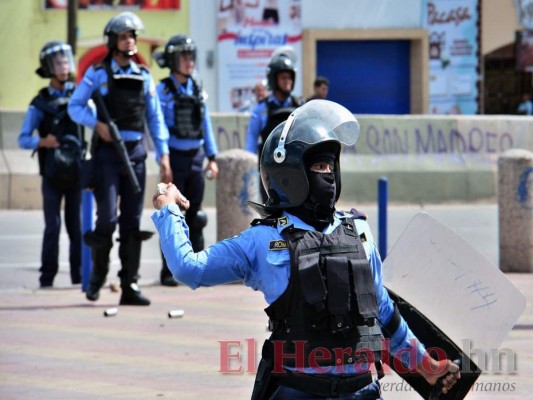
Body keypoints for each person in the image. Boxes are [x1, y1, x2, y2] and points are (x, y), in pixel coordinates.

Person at [152, 100, 461, 399]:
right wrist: (169, 212)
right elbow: (188, 268)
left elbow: (384, 313)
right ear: (290, 174)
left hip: (362, 391)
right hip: (298, 391)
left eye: (331, 165)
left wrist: (426, 366)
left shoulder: (359, 231)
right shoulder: (263, 240)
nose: (327, 174)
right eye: (318, 165)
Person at [68, 12, 171, 305]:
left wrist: (162, 154)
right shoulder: (98, 74)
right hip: (107, 157)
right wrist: (96, 124)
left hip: (136, 154)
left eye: (133, 36)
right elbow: (75, 106)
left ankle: (129, 286)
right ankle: (98, 278)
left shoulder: (144, 75)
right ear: (113, 41)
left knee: (131, 222)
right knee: (108, 219)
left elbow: (155, 118)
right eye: (125, 36)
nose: (130, 41)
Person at [154, 34, 219, 286]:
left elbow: (206, 125)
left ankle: (197, 268)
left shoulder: (198, 89)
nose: (189, 61)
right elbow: (158, 125)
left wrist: (212, 158)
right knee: (172, 215)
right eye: (184, 56)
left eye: (191, 56)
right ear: (172, 60)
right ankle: (168, 271)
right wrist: (164, 158)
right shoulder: (163, 90)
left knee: (196, 215)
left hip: (196, 157)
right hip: (174, 158)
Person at [18, 40, 84, 288]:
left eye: (66, 59)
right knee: (52, 227)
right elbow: (23, 138)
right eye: (58, 61)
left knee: (76, 227)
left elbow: (93, 123)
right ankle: (47, 278)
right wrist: (43, 142)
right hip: (52, 174)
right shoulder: (40, 102)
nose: (64, 65)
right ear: (48, 67)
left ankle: (79, 277)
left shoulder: (79, 97)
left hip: (76, 172)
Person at [245, 50, 302, 203]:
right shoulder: (261, 109)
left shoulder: (300, 107)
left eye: (290, 77)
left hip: (295, 170)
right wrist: (249, 170)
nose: (287, 81)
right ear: (273, 79)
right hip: (270, 173)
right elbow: (251, 142)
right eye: (283, 77)